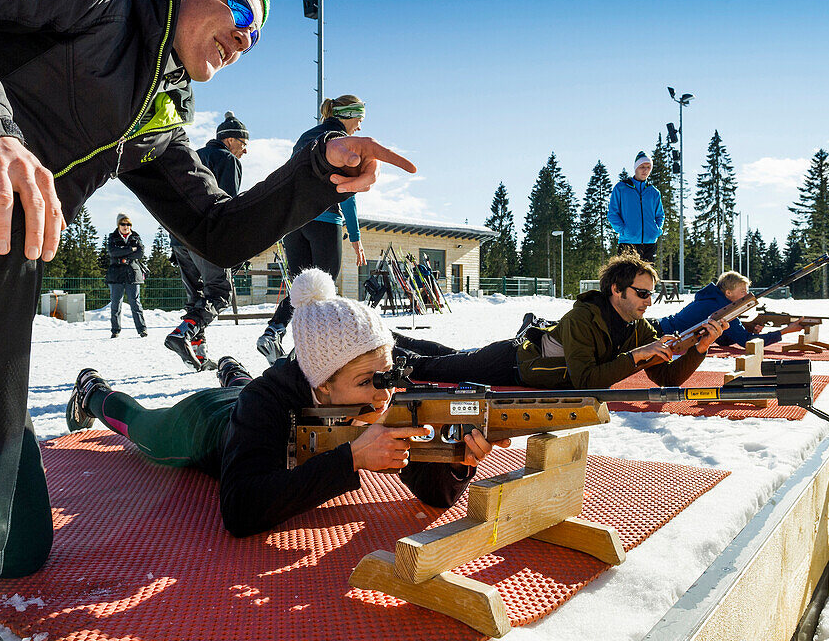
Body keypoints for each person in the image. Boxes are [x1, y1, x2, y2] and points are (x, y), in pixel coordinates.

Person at [0, 0, 414, 641]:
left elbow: (219, 230)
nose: (246, 40)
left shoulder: (156, 119)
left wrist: (315, 171)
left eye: (259, 36)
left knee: (13, 538)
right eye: (242, 12)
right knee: (5, 209)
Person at [65, 268, 508, 537]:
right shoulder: (267, 403)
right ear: (324, 385)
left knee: (244, 385)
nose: (384, 392)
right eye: (366, 381)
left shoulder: (376, 400)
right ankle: (95, 393)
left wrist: (456, 461)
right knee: (146, 429)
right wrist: (350, 458)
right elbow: (240, 511)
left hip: (249, 393)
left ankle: (232, 370)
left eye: (388, 376)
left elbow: (435, 496)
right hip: (210, 423)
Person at [396, 253, 727, 390]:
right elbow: (586, 380)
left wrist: (701, 347)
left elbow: (667, 379)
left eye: (651, 294)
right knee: (435, 368)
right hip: (514, 360)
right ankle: (390, 355)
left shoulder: (640, 329)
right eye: (641, 293)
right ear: (616, 290)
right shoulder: (585, 316)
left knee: (450, 355)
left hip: (525, 360)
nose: (648, 300)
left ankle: (392, 339)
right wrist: (638, 356)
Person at [257, 96, 370, 363]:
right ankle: (312, 353)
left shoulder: (305, 137)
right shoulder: (343, 143)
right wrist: (355, 237)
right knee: (323, 290)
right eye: (360, 120)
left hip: (294, 223)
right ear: (349, 115)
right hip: (325, 220)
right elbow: (348, 191)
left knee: (301, 290)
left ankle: (275, 332)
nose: (360, 128)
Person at [165, 112, 250, 370]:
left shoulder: (194, 155)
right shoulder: (228, 161)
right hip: (207, 237)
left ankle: (198, 355)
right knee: (220, 293)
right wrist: (235, 248)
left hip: (179, 235)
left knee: (196, 298)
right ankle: (183, 334)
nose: (245, 151)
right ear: (230, 140)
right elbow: (227, 206)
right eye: (244, 143)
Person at [656, 271, 805, 348]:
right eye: (743, 291)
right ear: (728, 293)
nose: (746, 296)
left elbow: (721, 340)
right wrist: (785, 331)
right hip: (659, 333)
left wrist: (748, 329)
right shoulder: (722, 308)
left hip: (661, 327)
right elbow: (747, 342)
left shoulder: (715, 300)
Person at [607, 151, 664, 263]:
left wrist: (656, 231)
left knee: (646, 279)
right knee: (625, 279)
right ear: (636, 167)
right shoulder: (621, 188)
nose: (645, 170)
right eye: (642, 166)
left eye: (648, 167)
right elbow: (613, 213)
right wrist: (623, 230)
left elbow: (660, 215)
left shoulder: (654, 192)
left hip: (649, 243)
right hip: (628, 243)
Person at [105, 213, 149, 338]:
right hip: (116, 275)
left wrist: (124, 254)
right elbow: (113, 252)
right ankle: (115, 330)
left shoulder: (136, 237)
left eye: (128, 224)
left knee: (135, 303)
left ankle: (142, 330)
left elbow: (140, 254)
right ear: (118, 225)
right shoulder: (112, 237)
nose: (126, 226)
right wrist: (131, 250)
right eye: (123, 224)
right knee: (115, 304)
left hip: (133, 274)